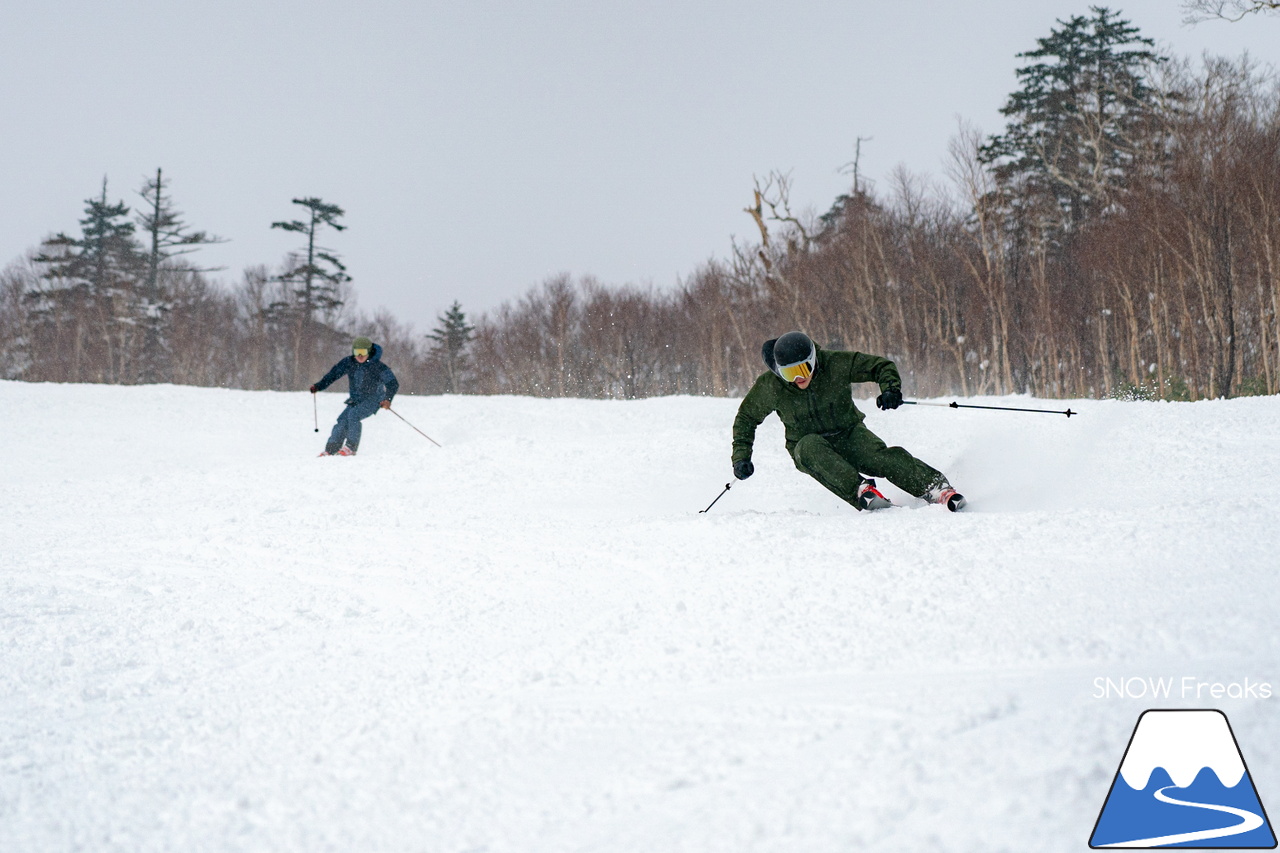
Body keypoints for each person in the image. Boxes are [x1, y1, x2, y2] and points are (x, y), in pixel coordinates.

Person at [731, 331, 965, 511]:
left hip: (849, 433)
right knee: (809, 446)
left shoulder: (835, 363)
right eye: (790, 374)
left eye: (803, 368)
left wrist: (890, 389)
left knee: (878, 457)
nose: (799, 378)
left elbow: (880, 366)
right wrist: (741, 457)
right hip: (807, 445)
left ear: (813, 359)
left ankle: (936, 488)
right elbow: (746, 418)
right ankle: (861, 491)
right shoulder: (770, 386)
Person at [310, 336, 399, 456]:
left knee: (354, 415)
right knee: (342, 420)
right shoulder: (349, 362)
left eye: (363, 352)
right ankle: (331, 449)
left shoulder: (377, 366)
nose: (360, 356)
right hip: (356, 400)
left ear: (369, 352)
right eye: (357, 352)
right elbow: (333, 375)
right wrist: (319, 386)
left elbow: (392, 384)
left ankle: (351, 447)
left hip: (374, 400)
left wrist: (387, 399)